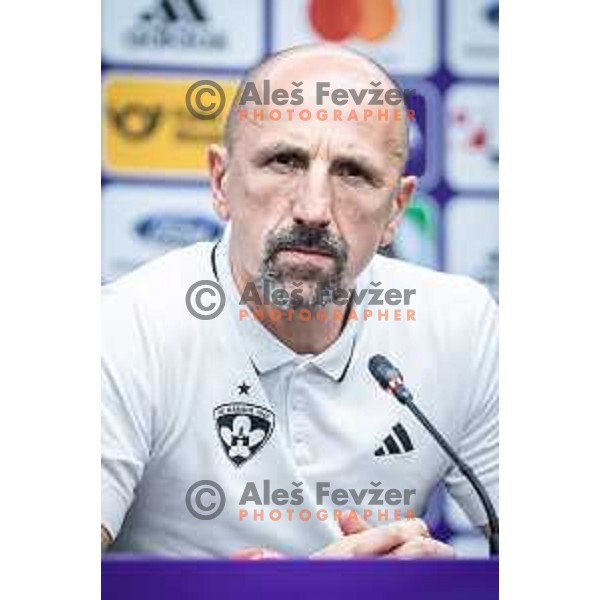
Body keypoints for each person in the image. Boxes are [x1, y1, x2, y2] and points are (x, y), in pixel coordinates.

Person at [101, 44, 498, 558]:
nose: (314, 209)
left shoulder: (460, 326)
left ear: (396, 210)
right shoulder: (128, 326)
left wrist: (447, 590)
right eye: (285, 162)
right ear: (221, 182)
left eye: (353, 172)